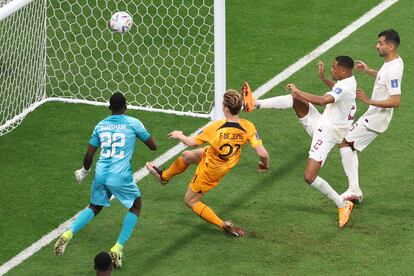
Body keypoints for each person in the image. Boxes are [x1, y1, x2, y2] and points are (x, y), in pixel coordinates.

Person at [244, 56, 356, 228]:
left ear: (343, 70)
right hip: (322, 122)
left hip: (327, 134)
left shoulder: (346, 86)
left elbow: (322, 101)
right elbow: (337, 90)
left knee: (309, 176)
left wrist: (299, 91)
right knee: (295, 101)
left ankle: (343, 205)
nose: (331, 69)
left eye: (333, 68)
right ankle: (253, 104)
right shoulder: (349, 81)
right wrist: (324, 78)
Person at [54, 92, 156, 269]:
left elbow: (88, 155)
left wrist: (85, 171)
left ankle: (69, 233)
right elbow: (153, 146)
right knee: (136, 205)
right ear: (125, 107)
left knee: (94, 206)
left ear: (109, 107)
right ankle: (118, 248)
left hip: (101, 173)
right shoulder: (133, 123)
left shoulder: (100, 126)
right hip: (120, 176)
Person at [147, 89, 270, 236]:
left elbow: (192, 142)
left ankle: (223, 225)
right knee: (187, 156)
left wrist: (180, 135)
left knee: (190, 201)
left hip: (210, 169)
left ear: (225, 109)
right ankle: (164, 177)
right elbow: (262, 153)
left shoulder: (216, 127)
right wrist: (265, 164)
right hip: (221, 159)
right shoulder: (248, 126)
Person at [336, 30, 404, 203]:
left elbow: (396, 101)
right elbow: (384, 77)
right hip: (374, 116)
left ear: (391, 45)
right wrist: (369, 71)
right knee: (348, 144)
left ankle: (354, 190)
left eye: (380, 43)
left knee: (346, 144)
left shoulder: (394, 69)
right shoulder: (393, 62)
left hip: (376, 118)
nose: (377, 46)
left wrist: (368, 100)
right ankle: (354, 189)